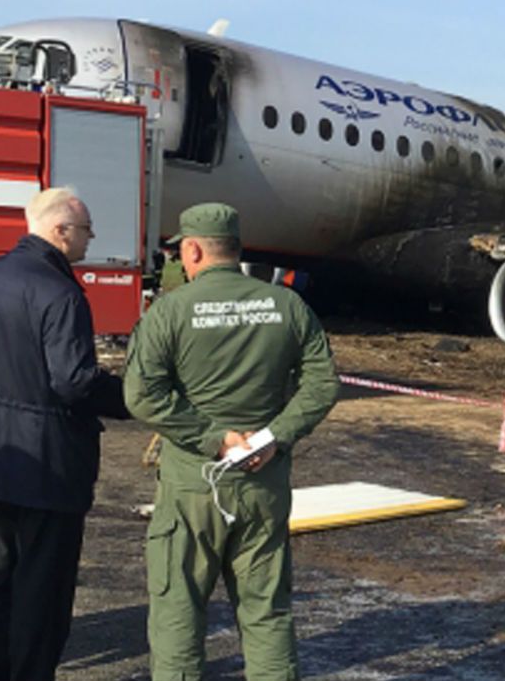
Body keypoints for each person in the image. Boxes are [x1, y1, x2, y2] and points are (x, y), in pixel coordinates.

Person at [124, 203, 339, 680]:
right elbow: (323, 384)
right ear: (237, 248)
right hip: (264, 483)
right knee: (267, 612)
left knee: (178, 612)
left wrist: (214, 440)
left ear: (193, 248)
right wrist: (273, 437)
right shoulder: (286, 306)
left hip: (191, 488)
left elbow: (141, 394)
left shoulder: (170, 311)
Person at [0, 186, 126, 681]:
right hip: (49, 459)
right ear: (60, 230)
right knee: (42, 584)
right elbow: (73, 382)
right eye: (87, 230)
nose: (90, 239)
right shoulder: (61, 291)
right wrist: (130, 397)